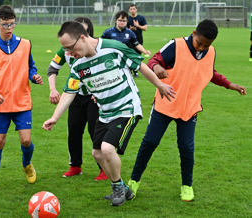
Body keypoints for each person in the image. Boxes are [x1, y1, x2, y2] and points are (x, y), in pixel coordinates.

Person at [42, 21, 175, 206]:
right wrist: (55, 117)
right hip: (105, 112)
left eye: (70, 48)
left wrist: (159, 85)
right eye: (65, 50)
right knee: (97, 153)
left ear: (82, 37)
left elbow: (140, 65)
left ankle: (117, 188)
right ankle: (122, 187)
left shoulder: (114, 48)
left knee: (106, 149)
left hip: (127, 108)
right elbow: (69, 92)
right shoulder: (78, 65)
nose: (68, 54)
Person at [127, 19, 247, 202]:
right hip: (165, 105)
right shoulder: (176, 45)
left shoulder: (210, 52)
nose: (201, 48)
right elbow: (153, 60)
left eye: (206, 45)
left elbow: (209, 72)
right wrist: (158, 67)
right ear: (193, 33)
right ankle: (133, 182)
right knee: (149, 143)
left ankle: (187, 186)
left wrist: (230, 85)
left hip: (189, 108)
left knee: (186, 148)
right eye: (199, 43)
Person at [0, 5, 43, 191]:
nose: (9, 29)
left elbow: (31, 66)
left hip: (22, 101)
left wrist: (34, 76)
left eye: (12, 24)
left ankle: (27, 165)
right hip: (1, 104)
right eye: (5, 25)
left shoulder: (25, 44)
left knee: (26, 140)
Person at [48, 17, 107, 180]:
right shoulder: (65, 51)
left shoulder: (97, 50)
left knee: (95, 132)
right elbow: (52, 69)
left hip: (94, 97)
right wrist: (52, 89)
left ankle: (104, 168)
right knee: (73, 131)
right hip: (75, 95)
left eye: (85, 31)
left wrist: (99, 90)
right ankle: (75, 166)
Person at [102, 10, 151, 77]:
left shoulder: (130, 33)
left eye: (124, 21)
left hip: (124, 59)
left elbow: (137, 44)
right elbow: (101, 44)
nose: (122, 22)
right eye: (120, 20)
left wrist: (145, 51)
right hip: (112, 59)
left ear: (127, 21)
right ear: (116, 21)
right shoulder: (108, 32)